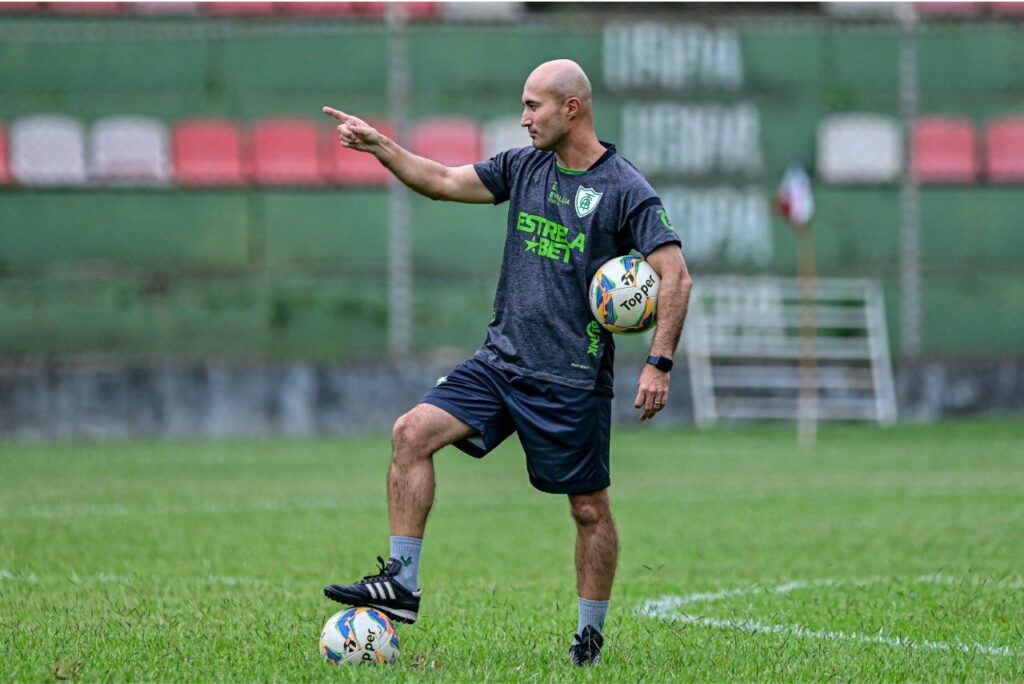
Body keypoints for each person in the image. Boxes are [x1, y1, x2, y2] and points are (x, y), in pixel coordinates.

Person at [321, 58, 692, 667]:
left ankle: (589, 640)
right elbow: (441, 180)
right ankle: (403, 584)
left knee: (589, 510)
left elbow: (674, 275)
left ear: (571, 108)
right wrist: (380, 145)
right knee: (411, 433)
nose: (523, 119)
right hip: (501, 363)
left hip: (571, 377)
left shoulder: (626, 189)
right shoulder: (524, 166)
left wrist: (659, 362)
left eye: (533, 106)